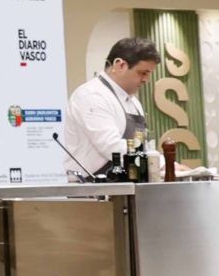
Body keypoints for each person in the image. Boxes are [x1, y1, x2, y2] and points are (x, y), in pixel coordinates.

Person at [60, 36, 156, 177]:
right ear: (120, 65)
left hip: (128, 183)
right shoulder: (92, 96)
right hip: (93, 189)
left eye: (149, 74)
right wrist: (156, 161)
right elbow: (112, 148)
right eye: (142, 73)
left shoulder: (134, 102)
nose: (146, 80)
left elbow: (142, 145)